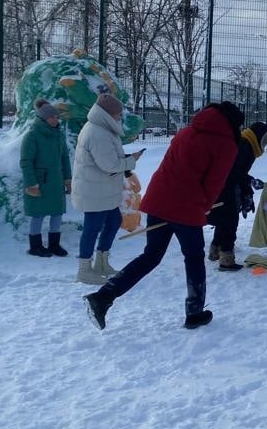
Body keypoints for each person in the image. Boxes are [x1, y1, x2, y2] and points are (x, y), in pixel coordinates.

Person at [83, 101, 243, 331]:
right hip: (187, 207)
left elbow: (169, 166)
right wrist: (205, 205)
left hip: (159, 200)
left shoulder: (187, 132)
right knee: (194, 258)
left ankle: (103, 297)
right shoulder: (226, 144)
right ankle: (195, 312)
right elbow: (215, 182)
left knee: (151, 256)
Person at [71, 93, 143, 284]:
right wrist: (131, 161)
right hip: (94, 191)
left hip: (103, 190)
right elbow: (109, 165)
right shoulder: (97, 132)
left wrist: (126, 159)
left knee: (113, 222)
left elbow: (109, 158)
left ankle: (101, 264)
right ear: (108, 114)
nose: (120, 117)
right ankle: (84, 270)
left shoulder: (103, 129)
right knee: (92, 228)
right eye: (118, 114)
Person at [208, 121, 267, 271]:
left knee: (222, 218)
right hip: (224, 188)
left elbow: (238, 173)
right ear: (259, 137)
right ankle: (226, 259)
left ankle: (215, 251)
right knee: (229, 220)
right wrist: (250, 182)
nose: (266, 144)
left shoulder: (246, 144)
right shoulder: (245, 147)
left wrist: (247, 190)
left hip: (224, 186)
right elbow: (233, 172)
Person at [20, 99, 72, 257]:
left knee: (57, 213)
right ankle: (35, 246)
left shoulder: (58, 135)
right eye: (53, 117)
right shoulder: (32, 136)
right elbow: (26, 162)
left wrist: (68, 179)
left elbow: (65, 157)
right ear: (44, 118)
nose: (56, 120)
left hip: (56, 181)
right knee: (38, 214)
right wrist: (31, 184)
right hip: (39, 182)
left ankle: (54, 245)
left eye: (57, 117)